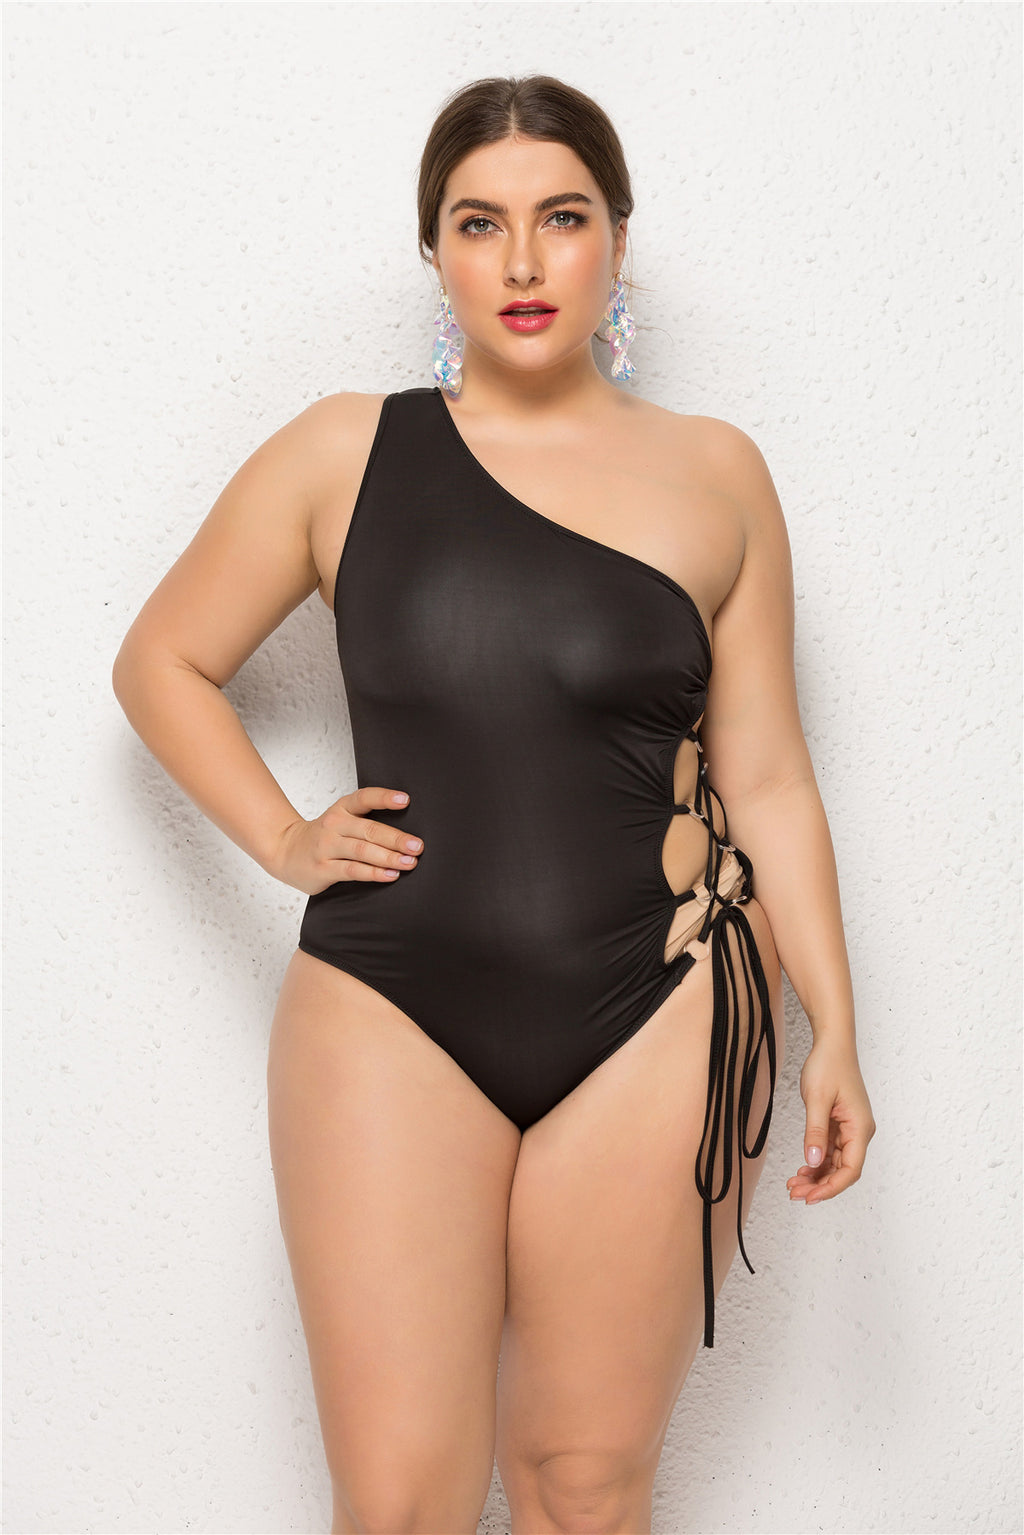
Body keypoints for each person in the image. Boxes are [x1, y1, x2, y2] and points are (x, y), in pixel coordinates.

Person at [113, 73, 876, 1535]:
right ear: (436, 251)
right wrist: (284, 836)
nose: (523, 262)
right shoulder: (343, 452)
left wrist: (835, 1025)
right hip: (389, 1004)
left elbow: (771, 772)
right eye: (479, 224)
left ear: (619, 239)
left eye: (562, 218)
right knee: (401, 1503)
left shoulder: (717, 474)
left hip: (661, 1006)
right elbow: (162, 661)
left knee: (583, 1484)